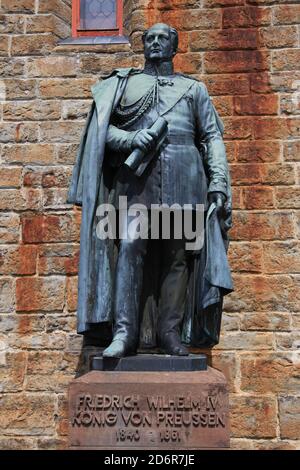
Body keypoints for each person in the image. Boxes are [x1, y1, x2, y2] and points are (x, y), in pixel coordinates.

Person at [67, 23, 233, 358]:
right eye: (150, 39)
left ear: (175, 47)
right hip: (137, 181)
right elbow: (102, 132)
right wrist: (130, 139)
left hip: (184, 178)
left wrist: (217, 181)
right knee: (130, 246)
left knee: (177, 256)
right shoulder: (125, 85)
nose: (155, 43)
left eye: (163, 39)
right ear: (144, 47)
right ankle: (124, 333)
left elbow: (211, 137)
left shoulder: (194, 89)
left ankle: (170, 333)